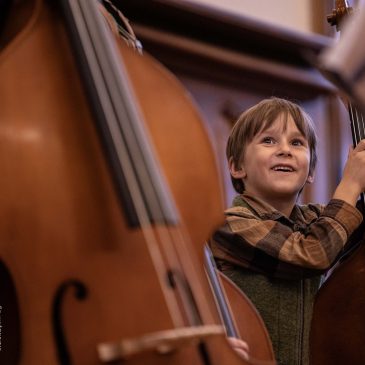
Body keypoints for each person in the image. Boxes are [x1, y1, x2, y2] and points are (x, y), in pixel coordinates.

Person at [209, 97, 365, 365]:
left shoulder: (317, 220)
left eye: (297, 142)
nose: (285, 150)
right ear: (237, 167)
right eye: (268, 140)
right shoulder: (230, 225)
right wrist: (350, 184)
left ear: (311, 170)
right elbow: (312, 253)